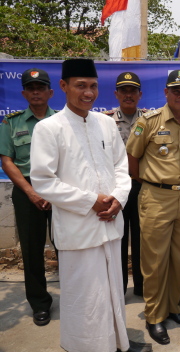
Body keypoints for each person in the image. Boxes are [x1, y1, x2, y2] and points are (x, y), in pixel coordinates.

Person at [30, 59, 151, 352]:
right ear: (63, 87)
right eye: (80, 86)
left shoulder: (107, 123)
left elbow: (122, 168)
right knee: (85, 297)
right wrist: (91, 201)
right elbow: (44, 181)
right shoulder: (49, 128)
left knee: (112, 291)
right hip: (78, 228)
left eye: (93, 86)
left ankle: (118, 343)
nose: (88, 93)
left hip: (110, 223)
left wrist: (119, 200)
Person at [126, 69, 180, 345]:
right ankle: (154, 316)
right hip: (156, 196)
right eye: (176, 90)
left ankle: (175, 308)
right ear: (166, 93)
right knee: (155, 260)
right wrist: (153, 183)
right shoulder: (148, 121)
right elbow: (132, 158)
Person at [0, 68, 55, 326]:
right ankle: (40, 303)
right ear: (24, 93)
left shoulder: (63, 120)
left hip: (60, 189)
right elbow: (7, 160)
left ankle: (77, 296)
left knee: (69, 246)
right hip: (26, 189)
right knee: (32, 251)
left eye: (40, 87)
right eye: (31, 88)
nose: (36, 91)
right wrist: (32, 192)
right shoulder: (12, 123)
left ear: (50, 92)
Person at [104, 72, 146, 296]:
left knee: (141, 238)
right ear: (116, 94)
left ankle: (141, 287)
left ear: (140, 94)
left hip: (141, 187)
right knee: (118, 238)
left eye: (133, 91)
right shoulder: (105, 121)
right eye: (124, 91)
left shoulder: (150, 119)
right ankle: (118, 288)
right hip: (116, 189)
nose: (128, 95)